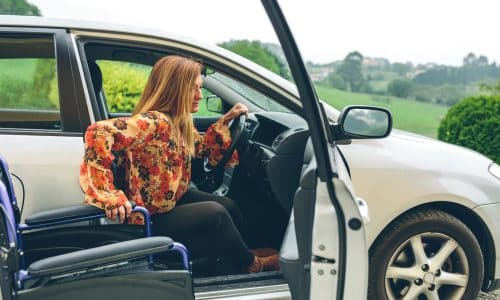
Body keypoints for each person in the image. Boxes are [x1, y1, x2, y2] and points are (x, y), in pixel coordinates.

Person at [79, 55, 279, 273]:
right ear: (176, 89)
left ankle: (236, 254)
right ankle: (251, 265)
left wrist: (227, 119)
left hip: (170, 200)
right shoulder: (156, 122)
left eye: (200, 89)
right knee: (216, 214)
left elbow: (201, 147)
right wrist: (108, 195)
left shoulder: (179, 121)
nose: (199, 96)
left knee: (228, 205)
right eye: (194, 89)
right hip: (148, 215)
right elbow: (97, 132)